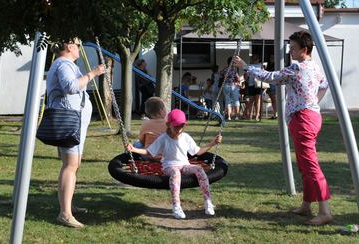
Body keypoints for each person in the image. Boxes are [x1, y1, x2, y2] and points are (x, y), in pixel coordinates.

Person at [234, 31, 332, 226]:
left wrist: (246, 68)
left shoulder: (297, 67)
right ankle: (307, 205)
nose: (290, 52)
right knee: (305, 164)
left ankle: (325, 211)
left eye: (293, 48)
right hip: (310, 116)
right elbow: (324, 85)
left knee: (310, 165)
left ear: (304, 50)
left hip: (303, 119)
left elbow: (271, 76)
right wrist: (313, 103)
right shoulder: (314, 67)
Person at [47, 39, 105, 228]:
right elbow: (70, 87)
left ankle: (68, 205)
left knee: (74, 164)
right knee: (70, 165)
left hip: (74, 122)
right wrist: (92, 73)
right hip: (67, 121)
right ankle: (65, 214)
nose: (80, 49)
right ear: (70, 47)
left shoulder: (67, 64)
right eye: (78, 46)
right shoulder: (63, 64)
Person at [126, 109, 222, 219]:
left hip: (185, 164)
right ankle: (176, 206)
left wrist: (213, 143)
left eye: (181, 126)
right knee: (176, 173)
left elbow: (198, 152)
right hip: (169, 166)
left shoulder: (186, 137)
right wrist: (133, 149)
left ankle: (208, 202)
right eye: (176, 126)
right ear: (168, 125)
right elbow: (149, 151)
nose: (179, 129)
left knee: (199, 169)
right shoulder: (163, 138)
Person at [266, 54, 278, 119]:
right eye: (271, 57)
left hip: (274, 84)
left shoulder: (277, 65)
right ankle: (275, 113)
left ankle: (276, 113)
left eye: (273, 57)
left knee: (275, 99)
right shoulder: (269, 65)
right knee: (273, 100)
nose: (271, 59)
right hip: (270, 84)